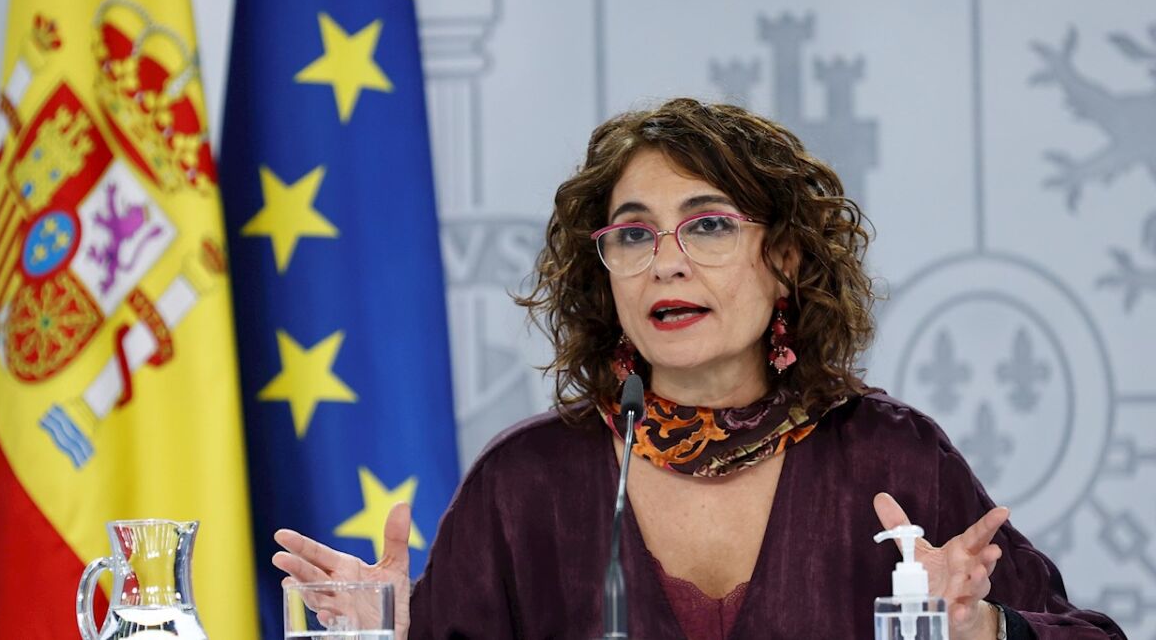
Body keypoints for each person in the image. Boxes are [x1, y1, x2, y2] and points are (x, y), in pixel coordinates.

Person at [272, 98, 1126, 639]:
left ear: (786, 258)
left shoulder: (889, 457)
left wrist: (983, 629)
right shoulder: (525, 482)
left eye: (708, 224)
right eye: (633, 233)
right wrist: (388, 632)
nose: (666, 261)